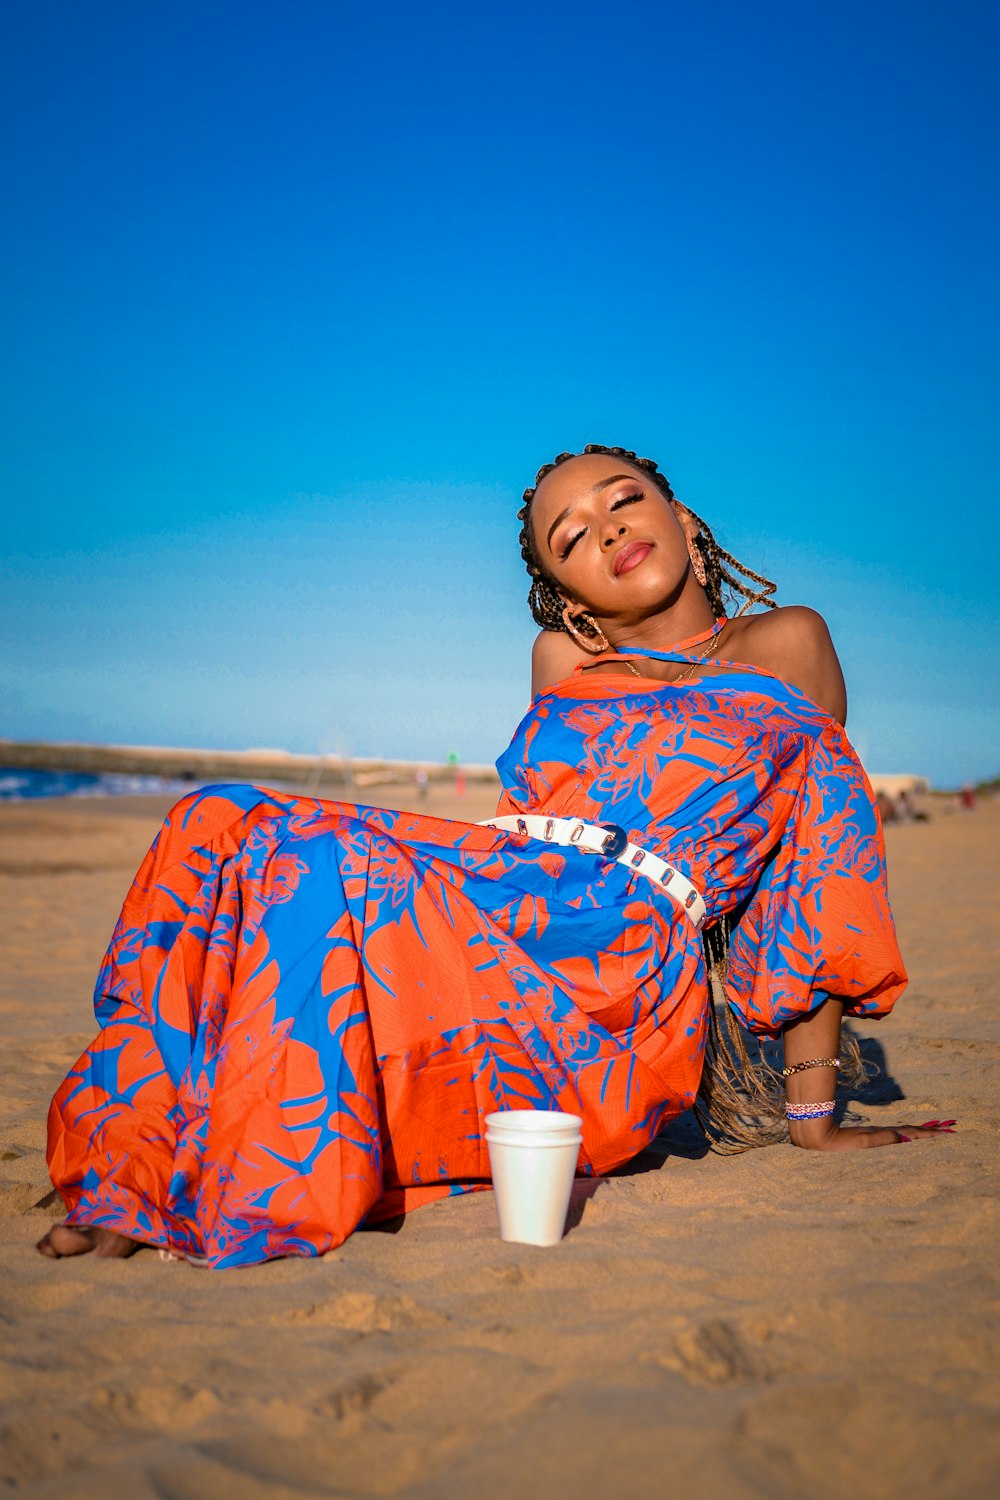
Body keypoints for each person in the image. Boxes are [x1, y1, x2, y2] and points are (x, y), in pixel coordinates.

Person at [38, 443, 952, 1268]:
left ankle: (239, 1180)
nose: (609, 529)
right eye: (572, 536)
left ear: (685, 521)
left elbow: (818, 858)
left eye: (624, 499)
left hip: (615, 958)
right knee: (215, 819)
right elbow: (530, 822)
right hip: (506, 903)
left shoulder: (786, 642)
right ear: (569, 598)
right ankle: (128, 1161)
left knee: (312, 855)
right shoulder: (562, 660)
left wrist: (810, 1118)